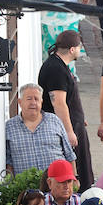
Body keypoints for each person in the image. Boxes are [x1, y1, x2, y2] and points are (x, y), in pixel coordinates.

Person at [38, 30, 93, 191]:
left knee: (84, 167)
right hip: (65, 128)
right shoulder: (56, 69)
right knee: (77, 170)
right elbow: (59, 103)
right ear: (72, 49)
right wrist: (68, 131)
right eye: (79, 47)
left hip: (74, 122)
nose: (80, 50)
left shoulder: (59, 65)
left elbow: (68, 100)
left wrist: (79, 116)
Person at [5, 84, 76, 178]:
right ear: (20, 102)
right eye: (29, 99)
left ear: (41, 102)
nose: (33, 102)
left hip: (57, 185)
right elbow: (8, 162)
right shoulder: (9, 127)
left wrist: (74, 178)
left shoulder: (54, 120)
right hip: (26, 188)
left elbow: (69, 154)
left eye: (36, 99)